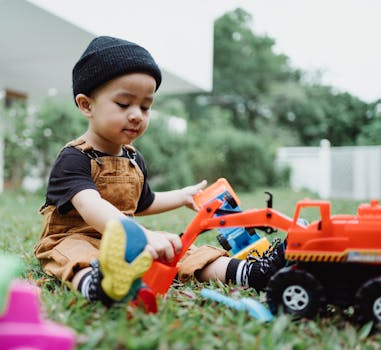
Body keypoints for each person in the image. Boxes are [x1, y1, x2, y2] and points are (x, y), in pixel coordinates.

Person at [34, 36, 285, 305]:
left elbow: (145, 201)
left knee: (181, 251)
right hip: (74, 238)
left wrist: (183, 196)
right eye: (123, 104)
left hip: (126, 243)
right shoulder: (74, 158)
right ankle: (99, 285)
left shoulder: (132, 158)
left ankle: (251, 272)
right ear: (86, 105)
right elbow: (91, 205)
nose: (137, 115)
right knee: (77, 255)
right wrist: (141, 236)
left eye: (145, 106)